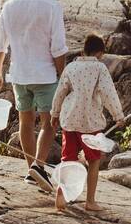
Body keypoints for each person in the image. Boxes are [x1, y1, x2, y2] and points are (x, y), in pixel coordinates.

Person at [0, 0, 67, 193]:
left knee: (25, 122)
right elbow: (58, 48)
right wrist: (63, 76)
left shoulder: (10, 5)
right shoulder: (53, 7)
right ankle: (38, 166)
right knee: (49, 123)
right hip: (44, 75)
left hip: (19, 75)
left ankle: (31, 170)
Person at [50, 33, 124, 213]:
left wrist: (54, 113)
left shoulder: (71, 67)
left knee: (68, 159)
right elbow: (108, 92)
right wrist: (118, 115)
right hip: (90, 122)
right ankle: (90, 201)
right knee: (93, 160)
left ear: (84, 50)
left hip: (70, 119)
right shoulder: (99, 68)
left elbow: (61, 91)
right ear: (99, 53)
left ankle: (62, 191)